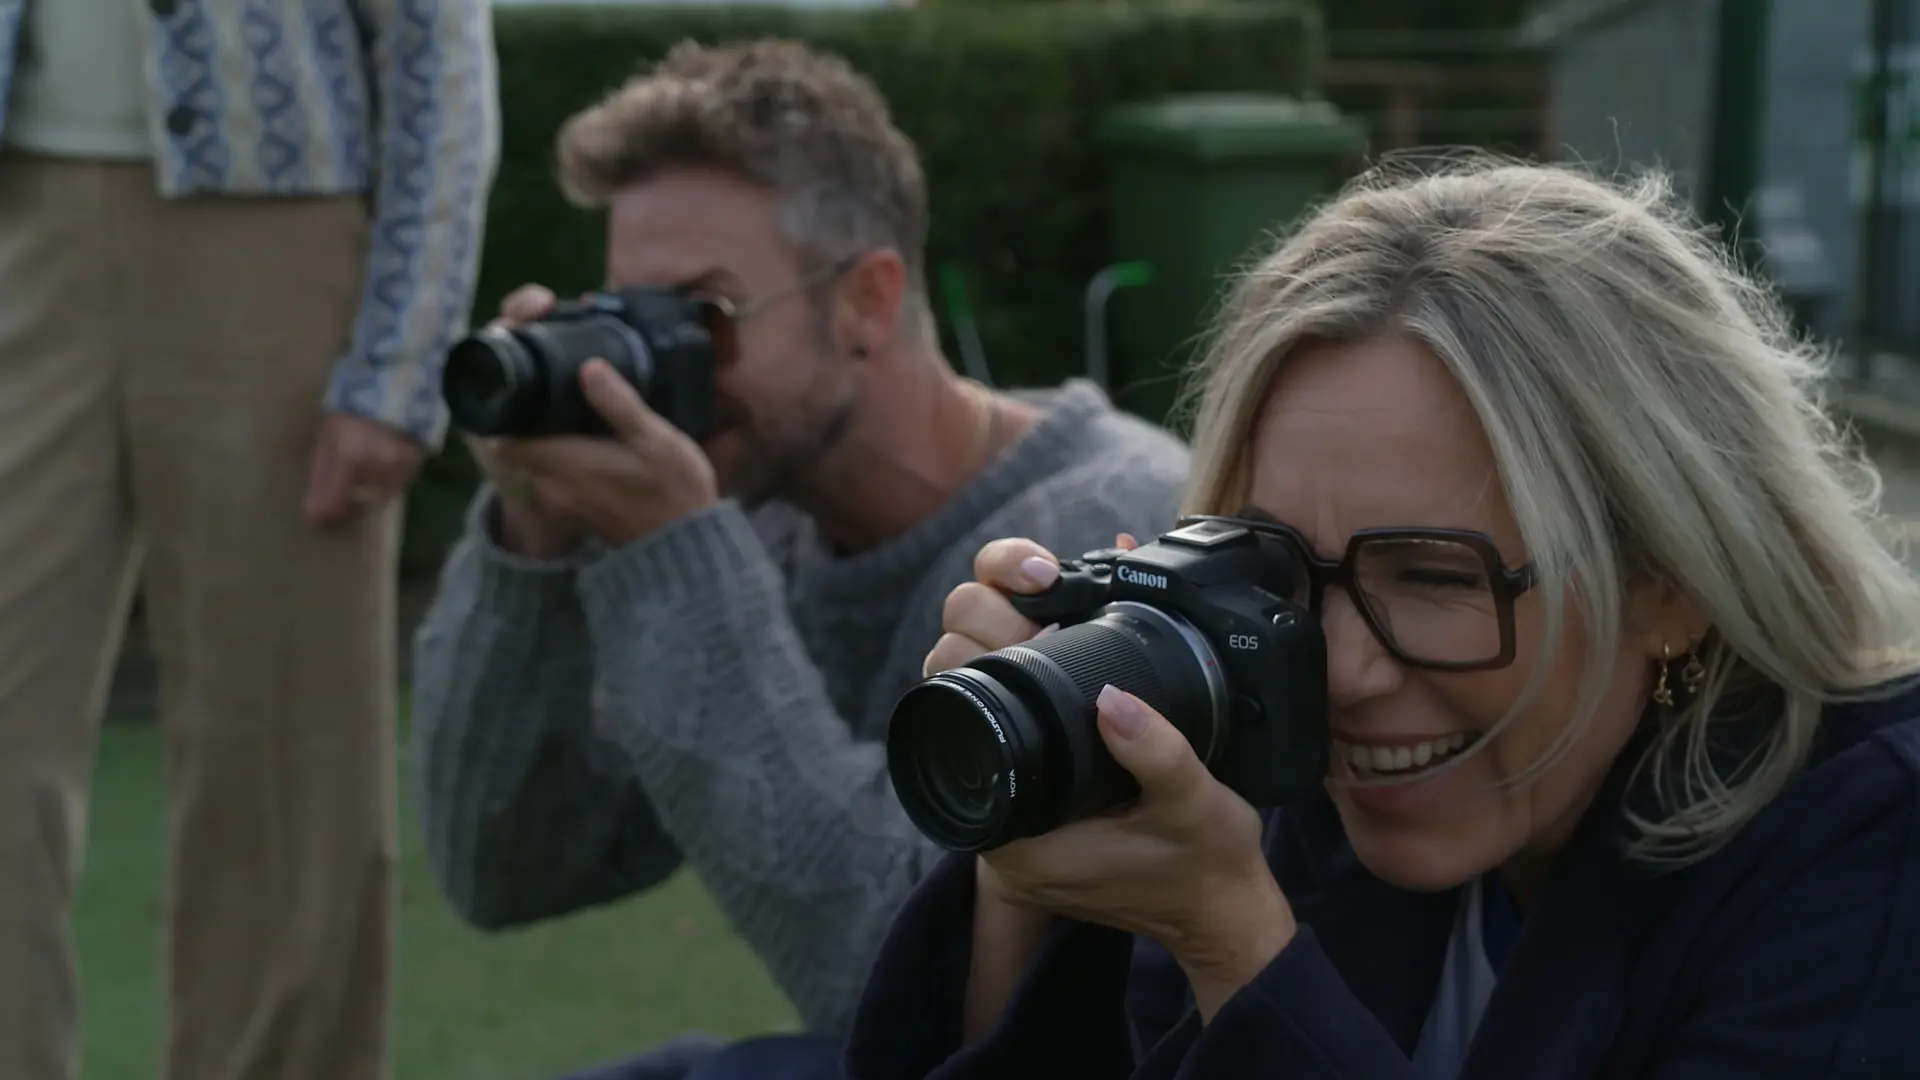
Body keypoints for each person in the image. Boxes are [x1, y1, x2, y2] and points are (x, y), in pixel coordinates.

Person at [844, 158, 1920, 1080]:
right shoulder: (1289, 778)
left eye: (1434, 577)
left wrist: (1236, 945)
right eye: (1278, 569)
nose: (1346, 669)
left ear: (1668, 583)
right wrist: (1031, 857)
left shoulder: (1869, 859)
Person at [407, 38, 1190, 1080]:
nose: (649, 371)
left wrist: (674, 553)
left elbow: (893, 983)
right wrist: (530, 536)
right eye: (625, 321)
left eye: (703, 319)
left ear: (866, 299)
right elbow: (504, 866)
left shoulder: (1092, 533)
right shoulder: (767, 526)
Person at [0, 2, 497, 1079]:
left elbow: (435, 44)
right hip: (19, 221)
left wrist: (401, 365)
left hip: (279, 243)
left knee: (284, 772)